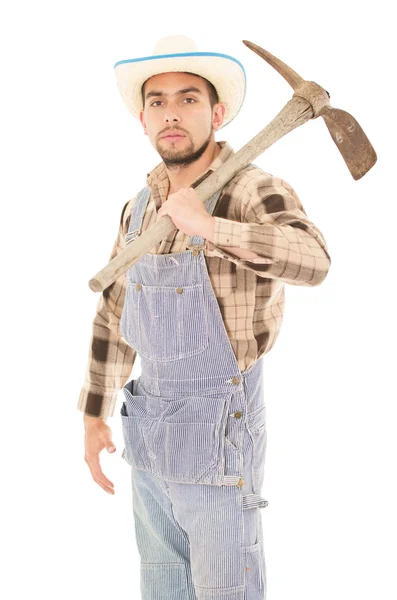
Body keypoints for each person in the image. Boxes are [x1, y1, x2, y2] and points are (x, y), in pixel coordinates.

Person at [77, 34, 331, 600]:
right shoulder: (140, 208)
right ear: (142, 119)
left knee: (226, 590)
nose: (172, 113)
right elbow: (115, 307)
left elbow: (314, 261)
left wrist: (211, 228)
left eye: (189, 99)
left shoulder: (252, 188)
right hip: (148, 434)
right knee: (163, 583)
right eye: (158, 101)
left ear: (216, 113)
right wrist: (95, 412)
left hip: (221, 436)